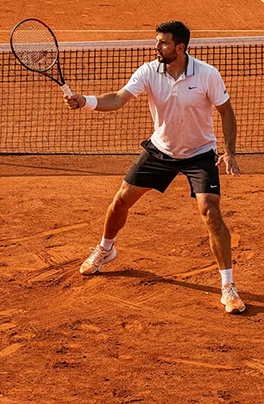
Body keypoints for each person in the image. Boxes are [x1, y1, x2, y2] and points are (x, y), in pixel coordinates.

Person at [65, 20, 246, 314]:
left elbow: (226, 111)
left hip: (199, 153)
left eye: (163, 42)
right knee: (120, 201)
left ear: (180, 47)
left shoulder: (207, 74)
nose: (157, 47)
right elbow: (119, 98)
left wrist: (230, 152)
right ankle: (105, 250)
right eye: (157, 41)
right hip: (161, 150)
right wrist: (86, 101)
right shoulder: (149, 71)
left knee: (210, 211)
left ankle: (228, 287)